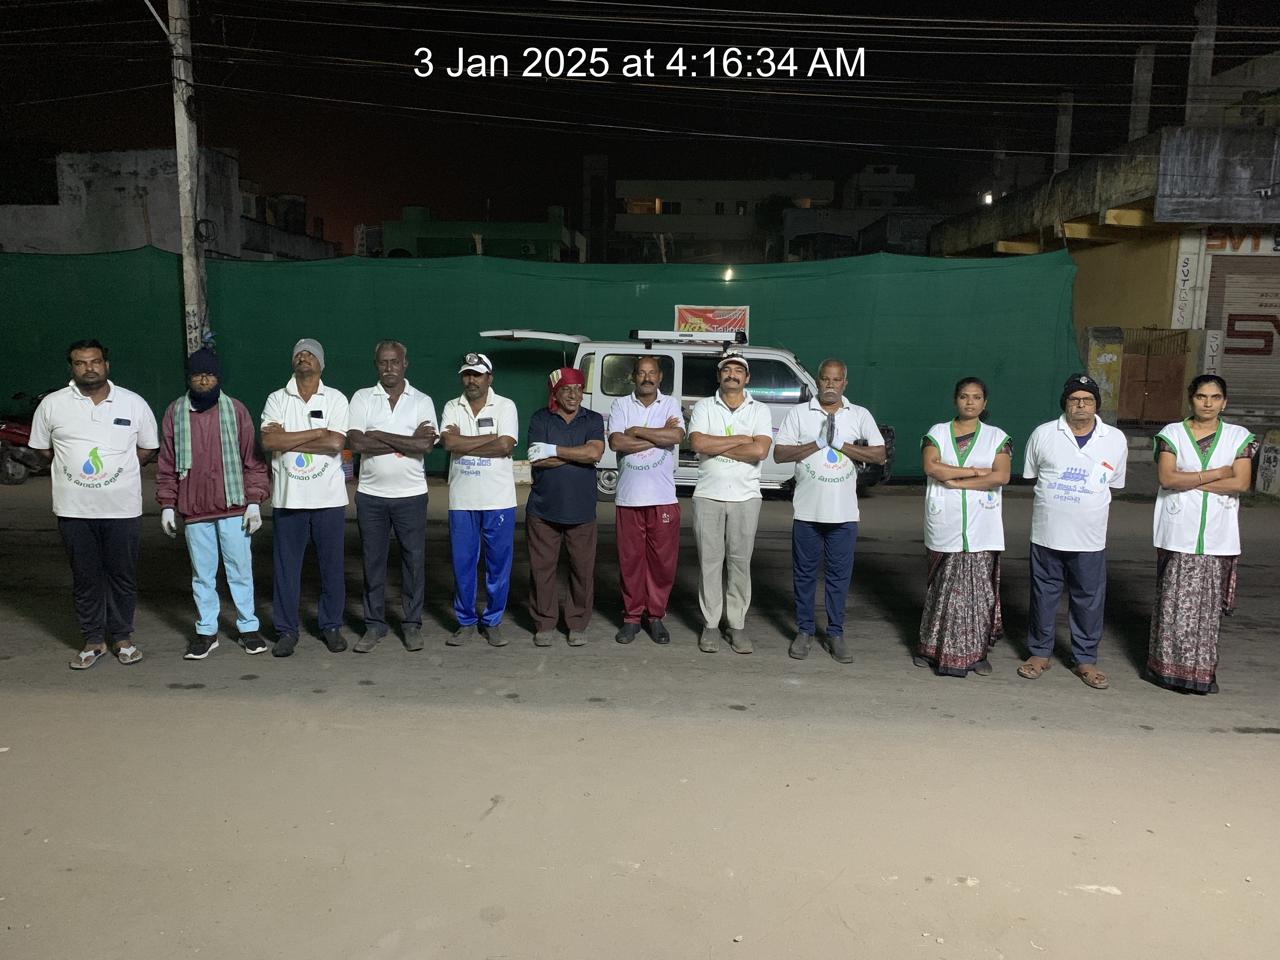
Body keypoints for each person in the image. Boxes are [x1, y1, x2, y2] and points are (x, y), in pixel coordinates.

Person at [29, 339, 158, 669]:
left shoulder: (133, 403)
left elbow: (147, 448)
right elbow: (42, 449)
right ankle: (93, 641)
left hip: (122, 509)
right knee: (86, 578)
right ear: (71, 368)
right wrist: (71, 469)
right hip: (74, 510)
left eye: (95, 361)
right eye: (81, 363)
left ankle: (123, 638)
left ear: (106, 365)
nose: (89, 368)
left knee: (122, 576)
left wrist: (118, 472)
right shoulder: (52, 405)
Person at [156, 347, 271, 659]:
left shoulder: (236, 411)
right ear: (189, 378)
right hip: (194, 509)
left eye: (209, 374)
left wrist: (254, 501)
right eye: (198, 375)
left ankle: (248, 628)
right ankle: (207, 631)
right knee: (202, 575)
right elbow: (167, 463)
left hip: (233, 506)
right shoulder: (175, 413)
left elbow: (253, 461)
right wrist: (167, 504)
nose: (204, 380)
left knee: (240, 570)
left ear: (218, 377)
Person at [1148, 375, 1256, 694]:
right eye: (1201, 396)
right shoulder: (1172, 434)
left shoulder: (1238, 437)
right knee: (1173, 605)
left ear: (1224, 402)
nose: (1208, 403)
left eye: (1215, 397)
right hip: (1178, 532)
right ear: (1191, 399)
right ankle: (1166, 671)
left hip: (1216, 537)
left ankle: (1200, 675)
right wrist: (1218, 473)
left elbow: (1240, 483)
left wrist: (1191, 481)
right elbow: (1167, 478)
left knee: (1206, 613)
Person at [773, 358, 886, 664]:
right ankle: (805, 631)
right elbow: (780, 453)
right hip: (807, 512)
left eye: (836, 380)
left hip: (844, 514)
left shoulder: (859, 414)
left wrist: (841, 445)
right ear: (818, 381)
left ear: (844, 383)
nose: (830, 385)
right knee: (804, 575)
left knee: (838, 577)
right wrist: (818, 443)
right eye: (825, 379)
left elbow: (879, 455)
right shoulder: (800, 413)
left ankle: (836, 633)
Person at [1019, 373, 1128, 689]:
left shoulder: (1114, 439)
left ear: (1097, 405)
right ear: (1064, 403)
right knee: (1043, 595)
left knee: (1088, 599)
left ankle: (1085, 659)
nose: (1081, 405)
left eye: (1088, 400)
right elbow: (1032, 474)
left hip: (1089, 537)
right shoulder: (1043, 434)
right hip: (1047, 533)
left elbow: (1114, 483)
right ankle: (1039, 653)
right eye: (1074, 399)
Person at [914, 377, 1011, 677]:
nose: (970, 402)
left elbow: (1001, 476)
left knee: (978, 595)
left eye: (976, 397)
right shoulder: (938, 432)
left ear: (985, 402)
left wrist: (956, 481)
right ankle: (931, 650)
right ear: (955, 400)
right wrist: (975, 472)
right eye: (964, 396)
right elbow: (931, 466)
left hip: (982, 527)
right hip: (946, 523)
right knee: (941, 590)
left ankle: (977, 655)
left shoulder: (997, 437)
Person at [260, 338, 350, 657]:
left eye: (311, 353)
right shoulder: (277, 398)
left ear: (321, 363)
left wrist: (288, 438)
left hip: (329, 500)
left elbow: (336, 443)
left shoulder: (336, 398)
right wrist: (316, 432)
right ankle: (286, 631)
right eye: (299, 353)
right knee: (286, 569)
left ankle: (331, 626)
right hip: (289, 499)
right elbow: (269, 441)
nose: (304, 357)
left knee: (331, 568)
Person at [346, 340, 438, 653]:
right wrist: (406, 441)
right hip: (371, 496)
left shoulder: (422, 400)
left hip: (412, 496)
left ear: (405, 364)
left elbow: (425, 446)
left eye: (394, 362)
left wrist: (379, 435)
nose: (389, 368)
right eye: (383, 362)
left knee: (413, 561)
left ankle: (412, 624)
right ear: (376, 365)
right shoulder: (362, 398)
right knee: (373, 562)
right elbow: (357, 443)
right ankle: (374, 625)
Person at [687, 350, 774, 654]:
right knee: (710, 563)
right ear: (719, 375)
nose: (732, 375)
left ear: (746, 378)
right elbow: (698, 443)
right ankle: (711, 624)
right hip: (708, 495)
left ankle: (736, 625)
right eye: (727, 370)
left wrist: (717, 446)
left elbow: (760, 451)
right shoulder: (704, 406)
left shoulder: (759, 410)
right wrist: (742, 439)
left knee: (739, 563)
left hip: (746, 497)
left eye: (738, 370)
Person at [440, 352, 519, 647]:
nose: (471, 380)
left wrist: (464, 444)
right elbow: (448, 442)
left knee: (498, 566)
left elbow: (505, 446)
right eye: (467, 375)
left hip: (498, 500)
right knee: (463, 564)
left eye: (477, 375)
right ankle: (466, 621)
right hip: (462, 501)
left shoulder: (505, 406)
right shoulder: (452, 406)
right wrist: (490, 439)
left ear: (489, 378)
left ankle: (493, 620)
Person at [607, 356, 686, 645]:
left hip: (662, 497)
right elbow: (616, 442)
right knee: (630, 561)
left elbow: (676, 435)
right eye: (641, 373)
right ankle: (631, 618)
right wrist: (658, 437)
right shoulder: (621, 405)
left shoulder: (670, 404)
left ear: (660, 377)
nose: (647, 378)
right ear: (634, 377)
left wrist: (638, 431)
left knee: (662, 563)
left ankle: (655, 616)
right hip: (629, 498)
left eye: (652, 373)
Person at [525, 368, 605, 647]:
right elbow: (536, 459)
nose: (573, 395)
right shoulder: (540, 418)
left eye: (578, 389)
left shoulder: (592, 419)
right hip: (543, 509)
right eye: (567, 389)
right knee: (541, 570)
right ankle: (544, 623)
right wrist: (577, 455)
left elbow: (594, 452)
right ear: (555, 393)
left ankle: (577, 623)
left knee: (582, 570)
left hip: (582, 509)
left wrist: (553, 450)